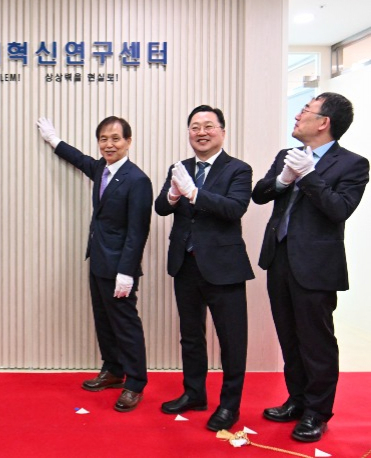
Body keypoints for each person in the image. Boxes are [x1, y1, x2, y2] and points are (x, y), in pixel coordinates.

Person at [252, 92, 369, 443]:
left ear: (324, 122)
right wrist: (283, 180)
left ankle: (318, 412)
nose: (298, 115)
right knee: (288, 337)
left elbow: (338, 210)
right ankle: (297, 400)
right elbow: (260, 194)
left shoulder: (353, 164)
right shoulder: (287, 156)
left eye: (306, 110)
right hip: (280, 258)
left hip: (316, 265)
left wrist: (309, 176)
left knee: (316, 342)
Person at [36, 116, 152, 413]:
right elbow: (80, 160)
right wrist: (53, 140)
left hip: (120, 268)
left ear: (128, 141)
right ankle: (113, 370)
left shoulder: (138, 180)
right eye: (103, 138)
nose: (109, 144)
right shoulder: (101, 168)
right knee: (103, 320)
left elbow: (138, 232)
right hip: (98, 260)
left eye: (115, 138)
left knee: (125, 325)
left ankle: (135, 383)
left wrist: (127, 272)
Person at [154, 105, 253, 431]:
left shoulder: (238, 169)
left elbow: (234, 208)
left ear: (222, 131)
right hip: (186, 265)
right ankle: (194, 393)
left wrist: (195, 193)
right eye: (195, 126)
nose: (201, 132)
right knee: (191, 336)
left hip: (224, 267)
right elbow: (160, 207)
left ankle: (229, 406)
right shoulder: (180, 167)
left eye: (208, 126)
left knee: (231, 341)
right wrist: (171, 195)